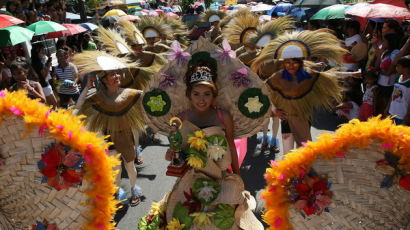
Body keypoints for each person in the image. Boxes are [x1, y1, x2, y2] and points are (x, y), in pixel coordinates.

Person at [138, 38, 269, 229]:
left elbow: (231, 145)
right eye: (197, 94)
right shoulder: (181, 118)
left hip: (220, 173)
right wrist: (173, 154)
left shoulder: (223, 116)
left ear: (214, 96)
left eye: (207, 94)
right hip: (192, 175)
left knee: (222, 218)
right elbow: (174, 149)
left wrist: (238, 174)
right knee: (186, 218)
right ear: (189, 96)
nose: (201, 99)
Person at [73, 50, 145, 206]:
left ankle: (134, 189)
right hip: (108, 139)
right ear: (103, 80)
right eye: (112, 75)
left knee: (130, 166)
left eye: (118, 73)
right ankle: (117, 192)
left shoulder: (129, 93)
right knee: (116, 170)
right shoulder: (96, 98)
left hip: (125, 136)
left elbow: (149, 96)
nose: (117, 77)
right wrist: (87, 87)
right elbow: (77, 108)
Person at [252, 30, 346, 147]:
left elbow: (329, 77)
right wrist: (275, 109)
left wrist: (353, 74)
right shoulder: (278, 76)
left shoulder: (308, 74)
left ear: (301, 63)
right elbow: (264, 92)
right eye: (288, 63)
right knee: (288, 151)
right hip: (286, 117)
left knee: (304, 148)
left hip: (303, 116)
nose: (291, 66)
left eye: (295, 63)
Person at [386, 55, 410, 125]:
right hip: (392, 113)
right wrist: (387, 107)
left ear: (406, 68)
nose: (396, 68)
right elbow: (393, 94)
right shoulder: (397, 77)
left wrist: (408, 115)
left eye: (398, 66)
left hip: (402, 116)